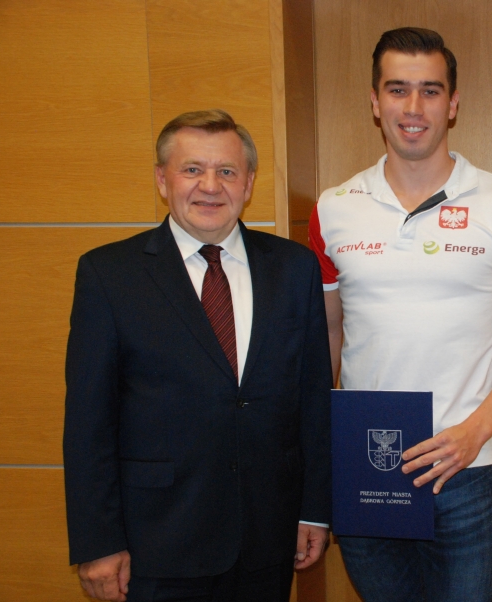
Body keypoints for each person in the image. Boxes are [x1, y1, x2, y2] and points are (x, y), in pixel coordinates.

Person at [309, 27, 492, 602]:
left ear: (453, 103)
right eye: (398, 89)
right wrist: (321, 448)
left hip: (464, 466)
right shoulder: (333, 207)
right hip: (368, 461)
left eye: (430, 90)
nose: (414, 107)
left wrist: (476, 432)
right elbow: (327, 332)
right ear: (376, 102)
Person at [63, 109, 332, 602]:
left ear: (248, 183)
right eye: (192, 169)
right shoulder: (109, 275)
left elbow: (313, 399)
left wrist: (313, 510)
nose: (210, 186)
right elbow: (88, 423)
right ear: (162, 180)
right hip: (157, 543)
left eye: (227, 171)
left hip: (267, 540)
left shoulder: (295, 269)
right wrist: (98, 542)